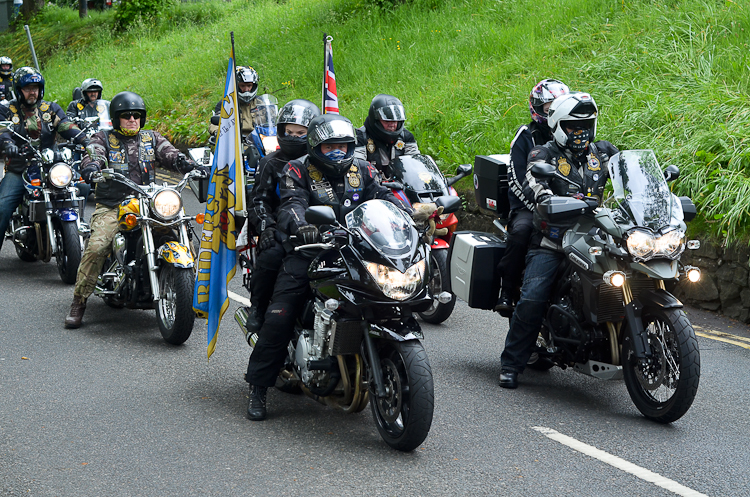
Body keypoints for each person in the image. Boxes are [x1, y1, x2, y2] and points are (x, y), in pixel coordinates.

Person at [244, 113, 418, 421]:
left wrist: (408, 213)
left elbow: (386, 196)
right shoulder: (296, 170)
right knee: (281, 314)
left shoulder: (363, 169)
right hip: (309, 249)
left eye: (343, 146)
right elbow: (291, 204)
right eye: (330, 147)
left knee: (389, 297)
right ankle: (258, 386)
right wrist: (303, 226)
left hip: (355, 249)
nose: (337, 152)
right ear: (315, 147)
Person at [498, 92, 619, 389]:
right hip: (553, 240)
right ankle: (512, 364)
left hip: (595, 238)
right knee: (532, 297)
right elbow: (537, 187)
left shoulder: (602, 152)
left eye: (586, 126)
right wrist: (553, 202)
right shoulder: (543, 155)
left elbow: (627, 173)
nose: (580, 133)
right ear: (557, 125)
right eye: (572, 127)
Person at [64, 91, 204, 329]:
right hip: (113, 205)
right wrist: (93, 166)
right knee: (97, 246)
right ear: (116, 118)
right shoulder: (104, 138)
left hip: (148, 201)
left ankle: (191, 295)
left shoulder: (151, 139)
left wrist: (187, 164)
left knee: (186, 237)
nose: (132, 119)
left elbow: (170, 154)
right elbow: (94, 154)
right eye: (126, 115)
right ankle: (79, 301)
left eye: (137, 116)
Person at [241, 99, 321, 334]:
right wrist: (266, 227)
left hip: (317, 227)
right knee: (272, 255)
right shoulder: (270, 162)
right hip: (279, 228)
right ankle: (258, 307)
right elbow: (259, 201)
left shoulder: (319, 162)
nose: (294, 137)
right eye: (289, 132)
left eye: (300, 133)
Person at [494, 79, 569, 315]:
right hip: (529, 205)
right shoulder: (526, 136)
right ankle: (507, 291)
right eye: (548, 107)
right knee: (522, 232)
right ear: (537, 109)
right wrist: (543, 204)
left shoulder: (571, 134)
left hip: (568, 205)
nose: (553, 111)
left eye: (558, 105)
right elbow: (517, 178)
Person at [0, 67, 88, 255]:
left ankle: (78, 229)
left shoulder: (50, 109)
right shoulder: (7, 109)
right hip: (20, 169)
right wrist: (8, 144)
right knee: (2, 205)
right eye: (27, 88)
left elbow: (65, 124)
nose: (32, 92)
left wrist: (85, 139)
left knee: (84, 187)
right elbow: (2, 130)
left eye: (36, 88)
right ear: (18, 89)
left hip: (51, 167)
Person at [354, 94, 420, 179]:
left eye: (395, 121)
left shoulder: (407, 137)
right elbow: (359, 166)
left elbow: (416, 163)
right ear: (376, 119)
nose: (392, 125)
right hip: (371, 186)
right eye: (387, 121)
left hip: (401, 185)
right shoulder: (360, 137)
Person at [209, 66, 260, 139]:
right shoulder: (226, 104)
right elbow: (215, 124)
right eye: (242, 86)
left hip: (260, 141)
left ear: (254, 86)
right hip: (236, 143)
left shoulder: (261, 103)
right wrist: (217, 131)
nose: (246, 89)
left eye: (249, 85)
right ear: (235, 85)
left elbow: (274, 122)